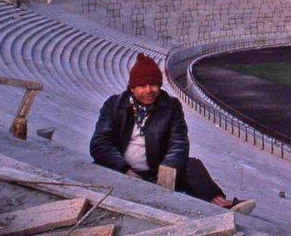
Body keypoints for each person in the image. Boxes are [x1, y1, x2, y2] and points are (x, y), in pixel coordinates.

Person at [90, 53, 255, 214]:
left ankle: (220, 203)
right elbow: (100, 143)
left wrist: (167, 168)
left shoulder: (171, 106)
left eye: (154, 84)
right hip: (121, 171)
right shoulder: (115, 105)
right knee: (100, 167)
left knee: (193, 166)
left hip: (156, 173)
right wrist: (125, 170)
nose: (149, 90)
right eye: (142, 86)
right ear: (132, 88)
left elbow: (179, 142)